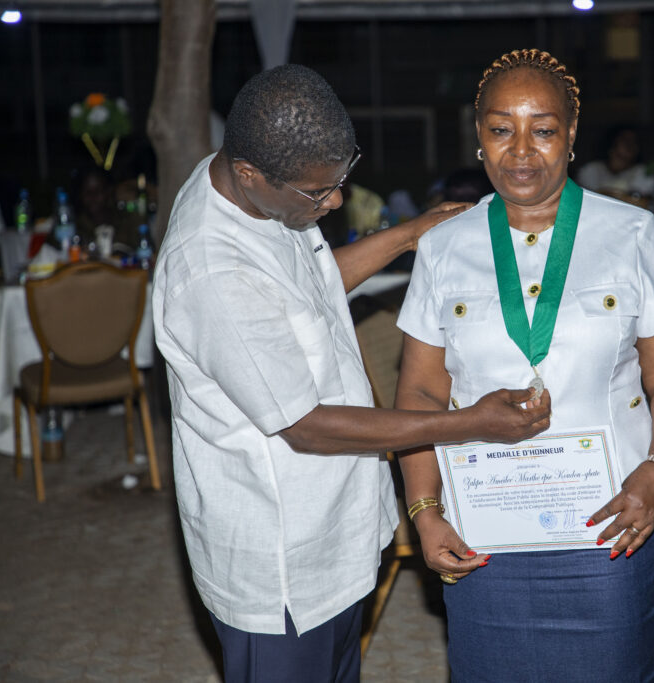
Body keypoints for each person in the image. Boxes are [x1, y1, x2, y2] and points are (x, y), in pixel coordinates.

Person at [151, 64, 552, 683]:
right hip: (284, 563)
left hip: (333, 530)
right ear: (251, 173)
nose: (335, 201)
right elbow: (306, 427)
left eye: (341, 180)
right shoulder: (212, 272)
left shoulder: (242, 182)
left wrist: (408, 235)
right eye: (319, 192)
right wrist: (470, 423)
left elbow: (300, 293)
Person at [395, 49, 654, 681]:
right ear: (478, 136)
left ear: (570, 134)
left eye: (541, 130)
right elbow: (422, 394)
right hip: (482, 527)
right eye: (500, 129)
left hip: (612, 525)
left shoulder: (631, 233)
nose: (521, 151)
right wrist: (425, 511)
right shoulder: (442, 247)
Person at [71, 165, 143, 252]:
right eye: (88, 192)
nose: (93, 197)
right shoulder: (75, 227)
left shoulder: (126, 221)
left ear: (108, 191)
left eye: (97, 191)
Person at [576, 125, 654, 202]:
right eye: (625, 140)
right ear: (612, 142)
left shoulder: (643, 172)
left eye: (634, 141)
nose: (630, 145)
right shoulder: (591, 170)